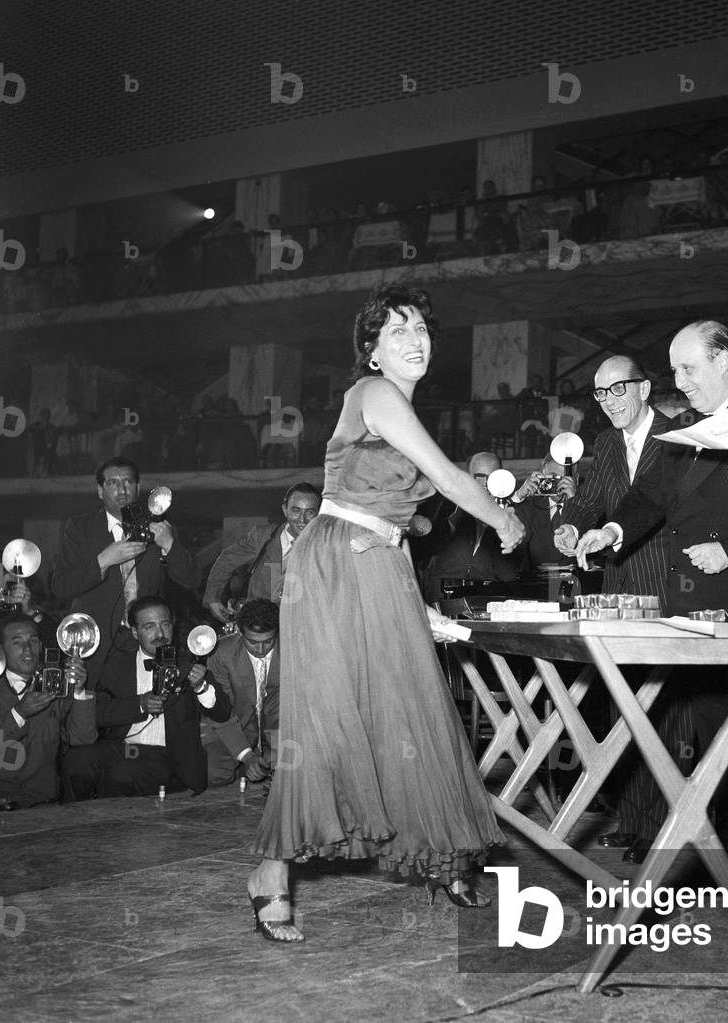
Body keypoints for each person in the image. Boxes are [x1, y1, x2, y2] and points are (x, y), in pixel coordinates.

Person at [246, 283, 524, 942]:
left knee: (407, 706)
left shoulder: (398, 407)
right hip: (340, 565)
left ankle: (448, 851)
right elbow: (448, 478)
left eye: (421, 327)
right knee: (329, 718)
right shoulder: (374, 395)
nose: (414, 339)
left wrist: (408, 524)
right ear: (371, 352)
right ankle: (271, 872)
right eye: (395, 331)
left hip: (377, 561)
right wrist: (502, 517)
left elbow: (413, 496)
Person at [574, 320, 728, 884]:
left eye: (689, 368)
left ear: (725, 360)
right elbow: (648, 498)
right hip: (698, 604)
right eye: (675, 369)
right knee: (712, 735)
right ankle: (720, 856)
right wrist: (611, 531)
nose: (679, 380)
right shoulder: (687, 431)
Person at [552, 355, 691, 856]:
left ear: (645, 387)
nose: (609, 402)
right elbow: (590, 502)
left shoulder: (678, 435)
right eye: (600, 393)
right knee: (623, 704)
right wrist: (570, 524)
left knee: (666, 708)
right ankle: (631, 819)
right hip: (616, 586)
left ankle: (662, 827)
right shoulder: (607, 444)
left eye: (618, 390)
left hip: (667, 583)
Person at [50, 457, 202, 687]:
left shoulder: (159, 526)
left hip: (146, 641)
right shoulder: (80, 528)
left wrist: (170, 544)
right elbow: (60, 587)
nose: (121, 490)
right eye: (112, 483)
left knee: (144, 708)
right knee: (92, 714)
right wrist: (103, 560)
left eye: (128, 482)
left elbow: (192, 580)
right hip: (95, 641)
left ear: (138, 488)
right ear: (100, 491)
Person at [61, 597, 231, 799]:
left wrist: (201, 686)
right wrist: (139, 704)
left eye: (165, 624)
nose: (160, 634)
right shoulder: (117, 665)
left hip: (168, 757)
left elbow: (222, 712)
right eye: (149, 627)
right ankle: (75, 825)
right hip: (124, 748)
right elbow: (100, 711)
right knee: (76, 761)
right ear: (135, 632)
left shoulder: (188, 663)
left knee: (122, 774)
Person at [0, 612, 96, 806]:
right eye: (17, 642)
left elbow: (82, 739)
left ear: (41, 646)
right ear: (0, 649)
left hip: (39, 800)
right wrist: (19, 713)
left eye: (33, 641)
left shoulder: (56, 687)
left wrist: (79, 691)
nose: (27, 649)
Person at [203, 484, 321, 622]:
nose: (302, 519)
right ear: (285, 510)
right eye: (296, 510)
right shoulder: (263, 537)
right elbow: (227, 560)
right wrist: (213, 598)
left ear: (319, 514)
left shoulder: (325, 547)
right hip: (260, 629)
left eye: (310, 512)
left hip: (305, 627)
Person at [418, 451, 523, 602]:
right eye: (480, 478)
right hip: (441, 597)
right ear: (468, 477)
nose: (486, 485)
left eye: (492, 478)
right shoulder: (446, 505)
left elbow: (510, 573)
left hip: (486, 600)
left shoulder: (511, 516)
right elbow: (428, 547)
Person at [201, 598, 281, 787]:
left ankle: (265, 765)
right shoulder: (220, 653)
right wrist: (246, 755)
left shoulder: (294, 650)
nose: (261, 649)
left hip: (280, 730)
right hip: (235, 726)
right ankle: (249, 767)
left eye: (268, 641)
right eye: (252, 642)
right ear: (239, 632)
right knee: (213, 773)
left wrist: (278, 751)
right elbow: (221, 713)